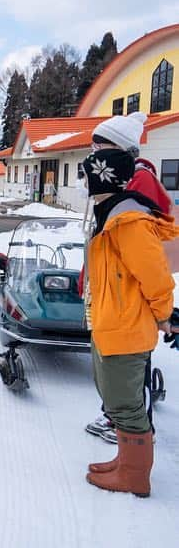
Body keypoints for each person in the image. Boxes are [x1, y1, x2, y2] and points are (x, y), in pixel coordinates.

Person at [80, 147, 177, 497]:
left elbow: (155, 276)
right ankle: (125, 461)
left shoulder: (129, 222)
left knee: (126, 404)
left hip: (126, 327)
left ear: (100, 176)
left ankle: (135, 476)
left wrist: (165, 314)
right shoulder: (110, 215)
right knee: (115, 398)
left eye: (85, 175)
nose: (82, 183)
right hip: (110, 323)